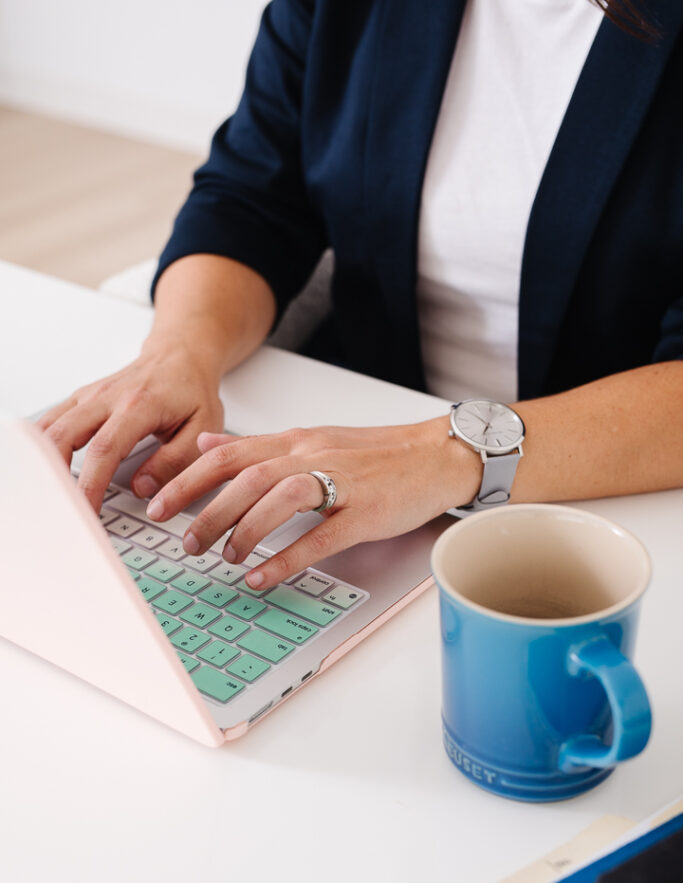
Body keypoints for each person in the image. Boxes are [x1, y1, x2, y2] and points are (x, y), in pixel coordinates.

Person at [40, 0, 683, 593]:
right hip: (361, 446)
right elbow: (252, 196)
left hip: (611, 494)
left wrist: (450, 452)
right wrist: (181, 348)